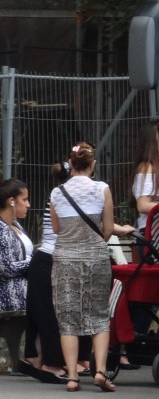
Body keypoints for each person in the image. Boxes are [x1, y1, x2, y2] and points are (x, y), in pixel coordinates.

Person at [50, 142, 135, 392]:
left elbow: (56, 229)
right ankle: (100, 371)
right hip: (96, 257)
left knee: (67, 317)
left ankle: (72, 377)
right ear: (92, 164)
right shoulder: (102, 189)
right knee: (98, 313)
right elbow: (108, 228)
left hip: (65, 257)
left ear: (71, 163)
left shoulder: (57, 193)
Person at [21, 163, 72, 382]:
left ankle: (36, 358)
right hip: (54, 259)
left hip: (43, 258)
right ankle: (51, 362)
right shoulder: (67, 199)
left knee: (41, 312)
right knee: (52, 313)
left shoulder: (54, 197)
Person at [0, 178, 33, 378]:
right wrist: (35, 262)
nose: (28, 204)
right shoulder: (1, 229)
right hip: (8, 292)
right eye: (25, 199)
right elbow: (5, 268)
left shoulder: (16, 225)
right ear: (12, 201)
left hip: (23, 288)